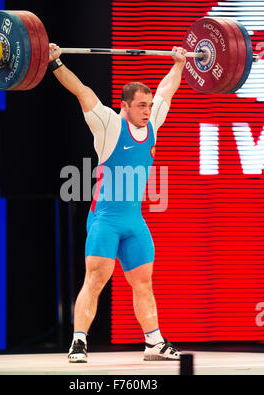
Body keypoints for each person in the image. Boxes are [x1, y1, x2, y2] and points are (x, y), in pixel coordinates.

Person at [49, 43, 187, 363]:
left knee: (143, 282)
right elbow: (83, 92)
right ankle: (79, 342)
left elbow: (167, 89)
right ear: (124, 106)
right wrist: (56, 63)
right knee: (95, 280)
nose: (147, 110)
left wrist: (179, 63)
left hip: (133, 221)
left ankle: (153, 343)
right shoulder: (110, 125)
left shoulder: (152, 123)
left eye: (149, 105)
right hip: (105, 220)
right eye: (141, 105)